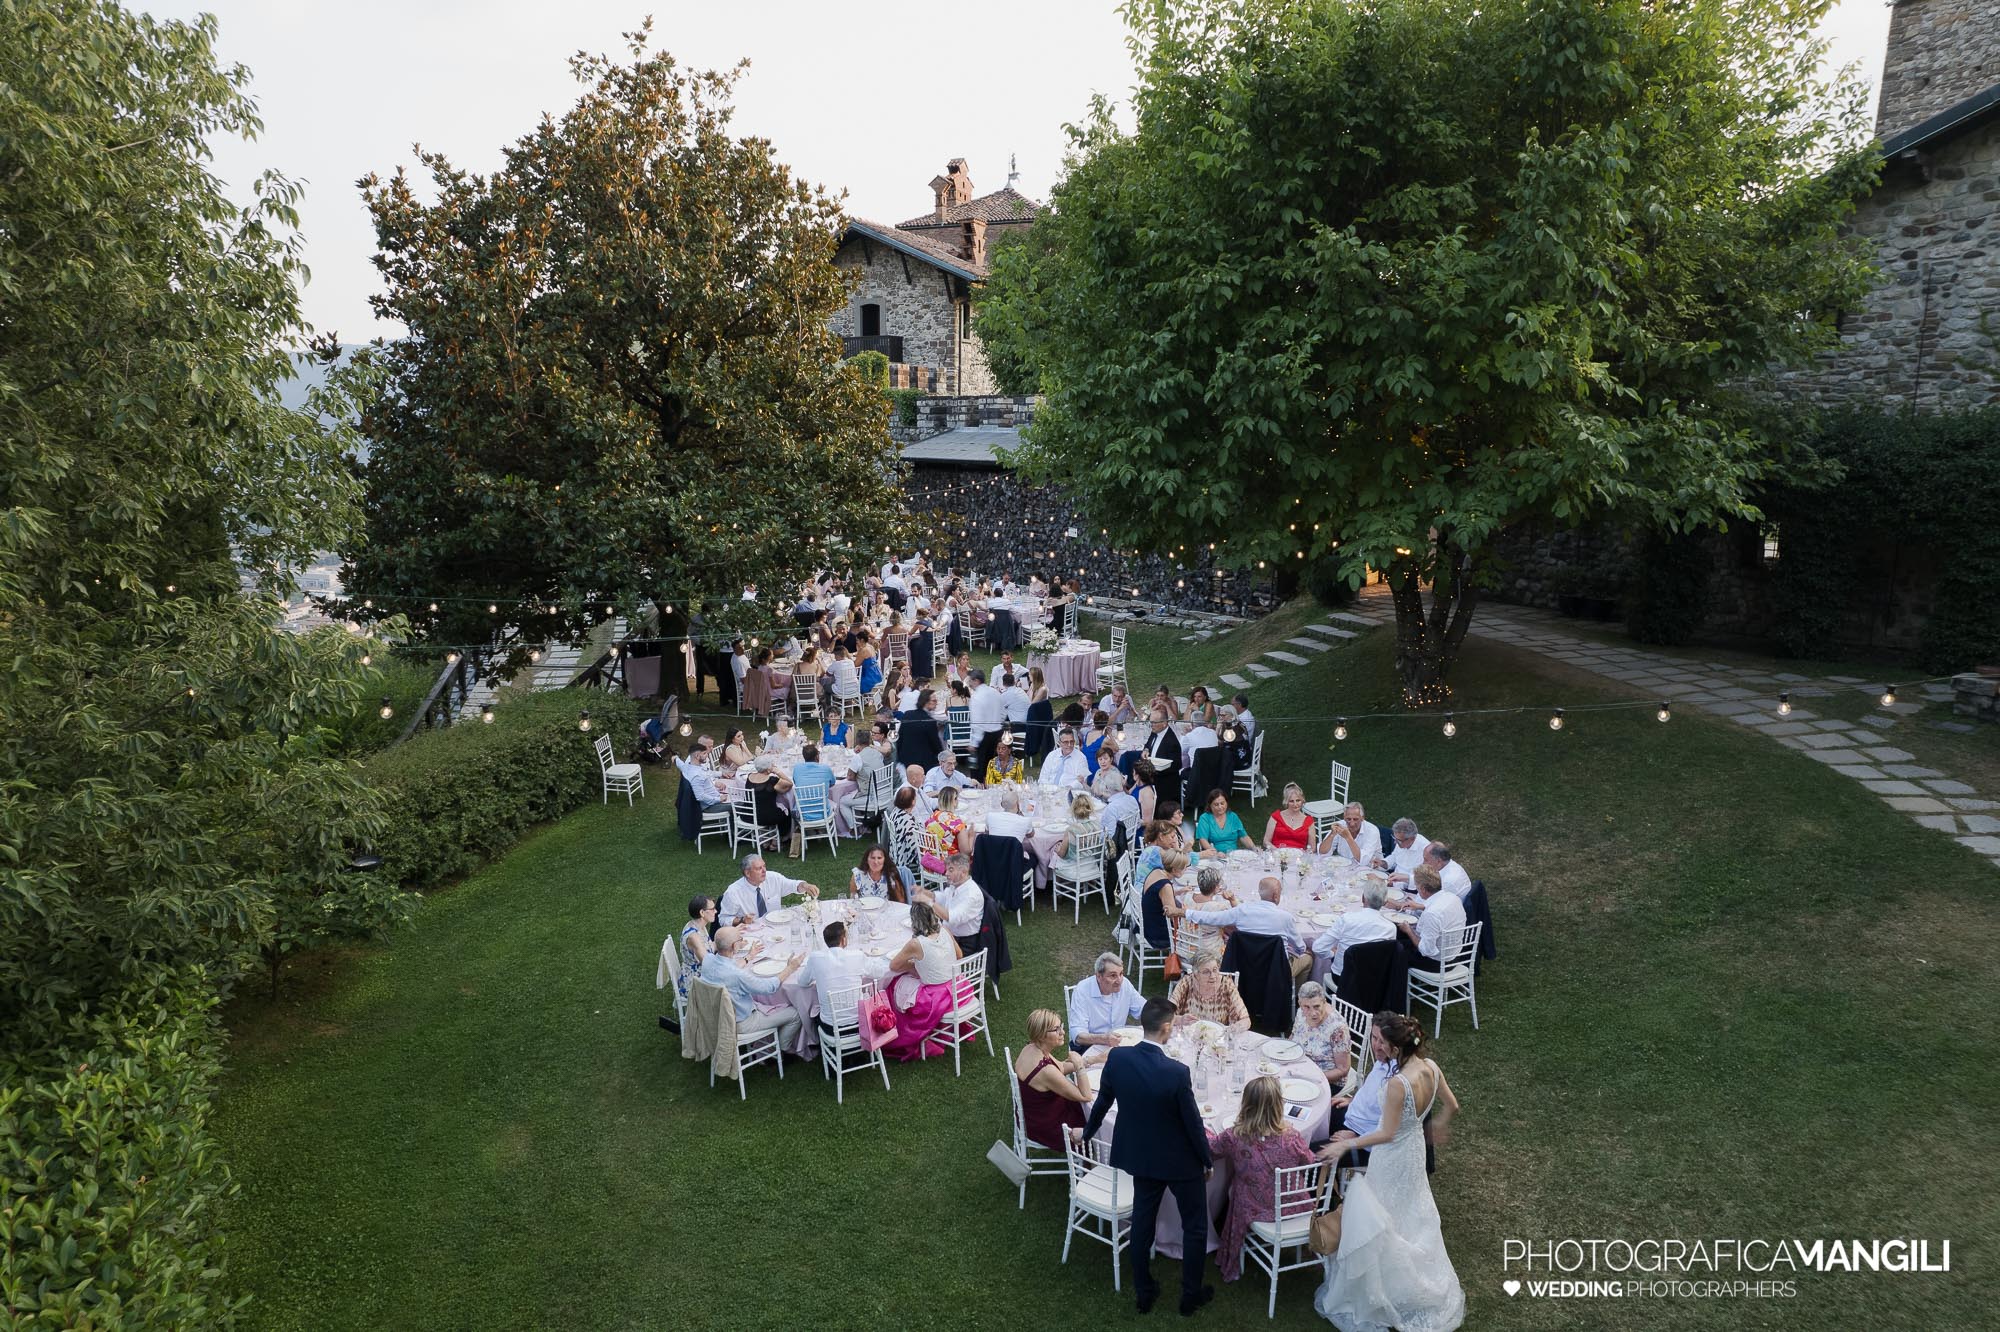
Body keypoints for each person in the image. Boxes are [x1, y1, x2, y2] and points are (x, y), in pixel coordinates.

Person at [1312, 1013, 1464, 1332]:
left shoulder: (1398, 1084)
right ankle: (1410, 1277)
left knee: (1380, 1214)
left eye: (1381, 1041)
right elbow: (1452, 1105)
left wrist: (1345, 1146)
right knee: (1409, 1210)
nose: (1375, 1045)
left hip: (1392, 1155)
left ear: (1395, 1048)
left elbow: (1387, 1134)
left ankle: (1384, 1286)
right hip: (1413, 1153)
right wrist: (1437, 1123)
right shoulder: (1431, 1069)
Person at [1081, 996, 1215, 1317]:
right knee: (1194, 1227)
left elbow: (1102, 1104)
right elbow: (1193, 1124)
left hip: (1141, 1156)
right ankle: (1190, 1295)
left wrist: (1088, 1133)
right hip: (1180, 1163)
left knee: (1142, 1223)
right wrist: (1207, 1159)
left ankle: (1144, 1291)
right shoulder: (1177, 1072)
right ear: (1167, 1028)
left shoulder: (1118, 1058)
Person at [1211, 1076, 1316, 1284]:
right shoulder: (1292, 1136)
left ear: (1246, 1105)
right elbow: (1309, 1161)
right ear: (1279, 1105)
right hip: (1294, 1204)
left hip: (1255, 1207)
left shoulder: (1234, 1137)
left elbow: (1211, 1148)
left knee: (1239, 1187)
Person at [1184, 874, 1311, 982]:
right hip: (1275, 972)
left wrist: (1185, 912)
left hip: (1245, 967)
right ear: (1276, 896)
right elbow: (1300, 948)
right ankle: (1296, 999)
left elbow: (1211, 917)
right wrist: (1300, 951)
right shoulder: (1286, 918)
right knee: (1308, 958)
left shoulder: (1242, 911)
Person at [699, 926, 806, 1053]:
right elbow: (768, 987)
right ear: (734, 946)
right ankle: (784, 1050)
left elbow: (729, 967)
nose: (742, 940)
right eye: (740, 939)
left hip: (715, 1018)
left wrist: (749, 956)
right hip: (740, 1023)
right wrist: (790, 968)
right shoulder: (737, 976)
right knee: (795, 1013)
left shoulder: (708, 960)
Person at [882, 901, 966, 1061]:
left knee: (894, 986)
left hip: (935, 999)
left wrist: (912, 966)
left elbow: (894, 965)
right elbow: (959, 955)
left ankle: (903, 1037)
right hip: (957, 988)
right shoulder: (946, 931)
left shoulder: (916, 943)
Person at [1015, 1011, 1095, 1149]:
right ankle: (1088, 1162)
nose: (1062, 1032)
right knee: (1095, 1122)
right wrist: (1079, 1065)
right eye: (1056, 1029)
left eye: (1061, 1026)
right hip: (1048, 1124)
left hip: (1033, 1114)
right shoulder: (1046, 1071)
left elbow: (1061, 1067)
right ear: (1041, 1036)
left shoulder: (1031, 1048)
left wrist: (1094, 1059)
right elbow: (1085, 1096)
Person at [1311, 881, 1398, 978]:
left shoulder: (1347, 919)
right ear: (1385, 902)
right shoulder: (1391, 928)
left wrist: (1334, 955)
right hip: (1375, 980)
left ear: (1363, 898)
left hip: (1343, 978)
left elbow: (1318, 948)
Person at [804, 919, 890, 1013]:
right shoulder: (857, 956)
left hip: (829, 1025)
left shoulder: (815, 958)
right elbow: (878, 973)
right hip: (860, 1020)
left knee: (814, 1012)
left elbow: (802, 982)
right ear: (843, 939)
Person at [1066, 952, 1144, 1052]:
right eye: (1113, 976)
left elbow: (1144, 1010)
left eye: (1121, 974)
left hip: (1120, 1045)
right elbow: (1078, 1036)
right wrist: (1103, 1039)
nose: (1119, 980)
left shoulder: (1125, 984)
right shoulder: (1082, 990)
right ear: (1099, 976)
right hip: (1090, 1046)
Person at [1397, 865, 1467, 976]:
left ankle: (1395, 988)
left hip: (1436, 963)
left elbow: (1426, 950)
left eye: (1417, 887)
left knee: (1394, 948)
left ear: (1424, 889)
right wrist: (1420, 907)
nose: (1417, 889)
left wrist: (1408, 930)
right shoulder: (1453, 898)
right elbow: (1440, 912)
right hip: (1455, 955)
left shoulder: (1432, 914)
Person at [719, 853, 820, 924]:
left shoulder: (773, 878)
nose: (764, 871)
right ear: (747, 873)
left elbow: (793, 885)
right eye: (759, 868)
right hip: (751, 933)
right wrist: (742, 920)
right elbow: (723, 919)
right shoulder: (734, 892)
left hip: (776, 927)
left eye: (764, 866)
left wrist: (805, 885)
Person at [1169, 948, 1251, 1030]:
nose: (1213, 976)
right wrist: (1180, 1020)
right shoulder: (1186, 983)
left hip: (1218, 1039)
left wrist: (1236, 1027)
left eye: (1215, 970)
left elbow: (1246, 1020)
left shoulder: (1227, 985)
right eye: (1206, 972)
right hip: (1190, 1036)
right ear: (1196, 974)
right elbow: (1165, 1015)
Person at [1292, 981, 1353, 1090]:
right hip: (1301, 1069)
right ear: (1300, 1004)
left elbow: (1343, 1069)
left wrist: (1311, 1077)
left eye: (1316, 1006)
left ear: (1324, 1002)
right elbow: (1293, 1036)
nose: (1313, 1013)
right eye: (1307, 1007)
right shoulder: (1300, 1013)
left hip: (1327, 1080)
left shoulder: (1337, 1028)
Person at [925, 852, 984, 954]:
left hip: (964, 944)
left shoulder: (972, 895)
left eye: (951, 870)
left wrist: (928, 902)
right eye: (947, 869)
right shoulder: (956, 885)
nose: (946, 873)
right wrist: (928, 894)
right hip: (950, 936)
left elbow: (951, 917)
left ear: (964, 872)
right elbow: (943, 897)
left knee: (925, 956)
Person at [841, 721, 895, 830]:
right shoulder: (878, 752)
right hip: (886, 793)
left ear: (857, 742)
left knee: (842, 801)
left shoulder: (858, 758)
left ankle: (854, 828)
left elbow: (850, 777)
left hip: (873, 798)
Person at [1138, 847, 1190, 956]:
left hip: (1147, 922)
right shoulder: (1165, 885)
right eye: (1185, 867)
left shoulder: (1156, 870)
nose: (1186, 869)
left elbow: (1157, 896)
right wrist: (1189, 911)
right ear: (1175, 870)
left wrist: (1178, 892)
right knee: (1195, 927)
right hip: (1157, 933)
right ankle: (1188, 958)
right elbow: (1172, 915)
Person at [742, 756, 795, 848]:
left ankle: (766, 841)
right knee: (787, 813)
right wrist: (777, 772)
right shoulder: (772, 781)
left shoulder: (749, 776)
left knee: (767, 808)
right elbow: (789, 783)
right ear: (768, 767)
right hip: (766, 817)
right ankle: (776, 842)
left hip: (749, 815)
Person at [676, 895, 719, 1005]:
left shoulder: (697, 925)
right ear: (702, 913)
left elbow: (709, 947)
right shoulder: (694, 937)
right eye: (712, 909)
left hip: (696, 974)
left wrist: (730, 940)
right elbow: (708, 964)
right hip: (695, 983)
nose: (716, 911)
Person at [895, 687, 945, 773]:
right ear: (926, 702)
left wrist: (898, 759)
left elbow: (900, 738)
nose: (936, 703)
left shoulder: (908, 714)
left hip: (905, 759)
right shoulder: (929, 721)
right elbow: (936, 744)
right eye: (934, 701)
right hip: (923, 764)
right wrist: (943, 757)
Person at [675, 736, 726, 814]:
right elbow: (700, 796)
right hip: (710, 804)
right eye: (709, 747)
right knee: (741, 804)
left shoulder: (697, 763)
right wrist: (719, 799)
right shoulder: (696, 774)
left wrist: (675, 759)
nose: (712, 749)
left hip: (715, 794)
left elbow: (707, 773)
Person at [1194, 789, 1256, 853]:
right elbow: (1203, 841)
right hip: (1213, 857)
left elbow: (1243, 836)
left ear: (1226, 803)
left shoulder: (1233, 816)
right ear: (1210, 805)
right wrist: (1216, 853)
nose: (1220, 807)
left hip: (1233, 855)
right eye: (1216, 804)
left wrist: (1253, 847)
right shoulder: (1205, 818)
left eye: (1222, 803)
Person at [1324, 802, 1384, 866]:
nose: (1352, 823)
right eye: (1348, 819)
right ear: (1344, 817)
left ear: (1362, 818)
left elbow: (1363, 861)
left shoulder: (1372, 831)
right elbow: (1322, 853)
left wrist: (1348, 838)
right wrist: (1331, 835)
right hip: (1345, 867)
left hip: (1371, 868)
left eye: (1355, 819)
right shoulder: (1340, 825)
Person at [1095, 767, 1141, 845]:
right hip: (1130, 839)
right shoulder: (1132, 799)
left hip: (1118, 848)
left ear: (1106, 787)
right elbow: (1138, 824)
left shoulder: (1111, 808)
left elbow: (1110, 838)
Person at [1266, 782, 1317, 852]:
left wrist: (1304, 855)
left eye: (1298, 800)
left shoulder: (1309, 821)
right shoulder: (1275, 817)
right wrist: (1277, 852)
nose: (1295, 804)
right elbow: (1266, 841)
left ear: (1302, 800)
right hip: (1277, 855)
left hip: (1299, 858)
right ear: (1286, 802)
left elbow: (1312, 847)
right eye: (1291, 801)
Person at [1383, 818, 1431, 886]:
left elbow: (1423, 879)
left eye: (1399, 840)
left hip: (1411, 889)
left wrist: (1393, 883)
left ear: (1412, 838)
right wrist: (1383, 863)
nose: (1395, 842)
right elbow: (1394, 857)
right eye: (1394, 838)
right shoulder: (1402, 841)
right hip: (1393, 881)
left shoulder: (1426, 851)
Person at [1137, 706, 1181, 772]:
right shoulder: (1155, 731)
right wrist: (1146, 750)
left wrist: (1154, 770)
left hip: (1163, 778)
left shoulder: (1172, 742)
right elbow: (1148, 744)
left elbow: (1176, 765)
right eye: (1151, 722)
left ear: (1164, 723)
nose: (1151, 725)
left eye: (1154, 722)